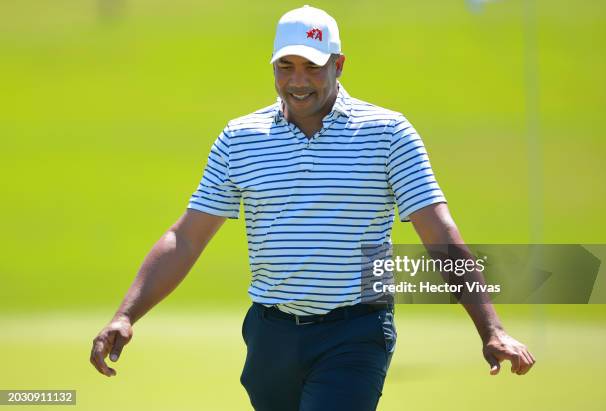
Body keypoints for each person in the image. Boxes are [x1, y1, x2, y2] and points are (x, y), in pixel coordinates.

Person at [90, 5, 535, 410]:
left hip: (355, 333)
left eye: (312, 67)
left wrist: (490, 327)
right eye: (286, 67)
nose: (297, 81)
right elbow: (185, 238)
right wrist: (126, 315)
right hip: (271, 335)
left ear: (338, 65)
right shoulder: (239, 138)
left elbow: (439, 235)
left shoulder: (388, 134)